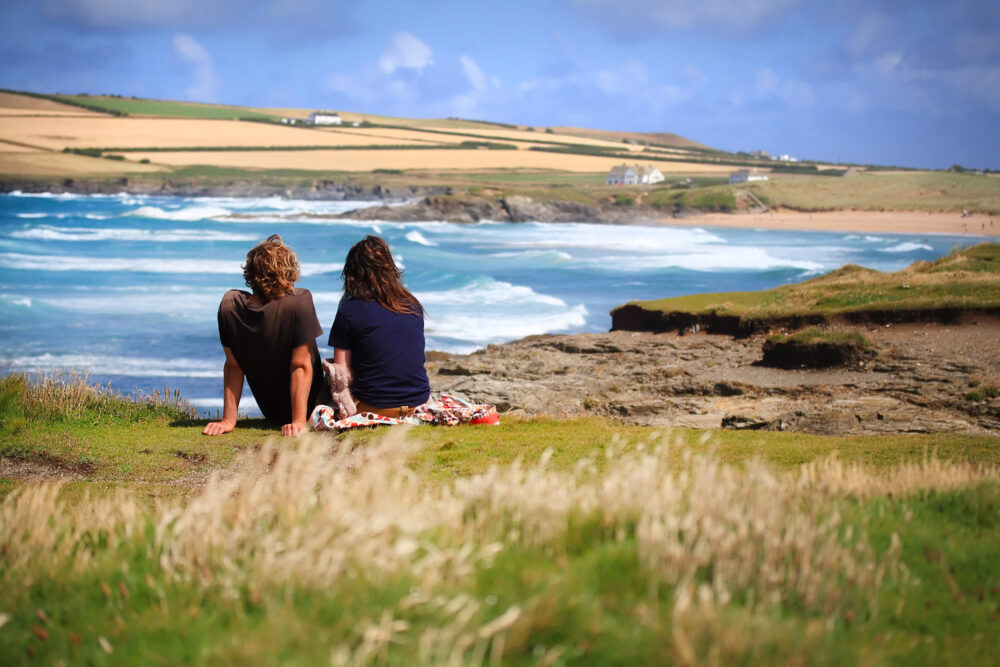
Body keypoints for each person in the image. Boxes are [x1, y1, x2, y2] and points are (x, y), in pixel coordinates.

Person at [203, 234, 324, 437]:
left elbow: (233, 367)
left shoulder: (230, 305)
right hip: (314, 407)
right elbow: (300, 365)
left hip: (272, 412)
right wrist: (298, 421)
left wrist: (228, 420)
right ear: (288, 271)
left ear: (251, 272)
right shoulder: (299, 302)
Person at [330, 235, 430, 417]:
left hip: (376, 407)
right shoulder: (412, 305)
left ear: (352, 273)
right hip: (419, 403)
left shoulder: (349, 311)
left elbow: (341, 373)